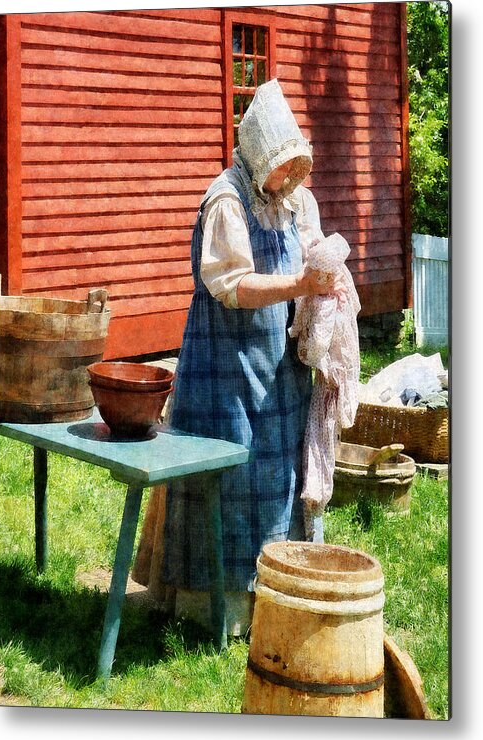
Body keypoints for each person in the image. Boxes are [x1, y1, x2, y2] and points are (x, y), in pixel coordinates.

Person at [158, 79, 346, 635]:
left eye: (295, 167)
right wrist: (300, 285)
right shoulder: (226, 200)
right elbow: (234, 286)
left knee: (278, 474)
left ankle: (278, 587)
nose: (288, 178)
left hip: (279, 368)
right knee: (229, 475)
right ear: (257, 154)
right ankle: (215, 609)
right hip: (224, 365)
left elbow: (311, 248)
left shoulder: (289, 201)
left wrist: (329, 273)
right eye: (280, 167)